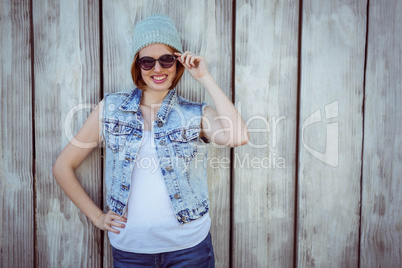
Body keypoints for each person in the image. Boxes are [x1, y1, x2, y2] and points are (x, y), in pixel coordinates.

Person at [53, 14, 249, 267]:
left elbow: (238, 136)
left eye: (167, 59)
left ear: (178, 63)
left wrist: (204, 77)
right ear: (138, 66)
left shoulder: (194, 114)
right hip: (130, 250)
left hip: (189, 249)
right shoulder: (111, 109)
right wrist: (97, 217)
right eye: (148, 62)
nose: (158, 69)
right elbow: (62, 167)